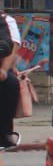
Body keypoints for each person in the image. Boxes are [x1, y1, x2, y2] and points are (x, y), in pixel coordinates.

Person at [0, 10, 20, 150]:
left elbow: (11, 46)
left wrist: (3, 70)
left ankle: (5, 133)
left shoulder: (4, 21)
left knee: (11, 83)